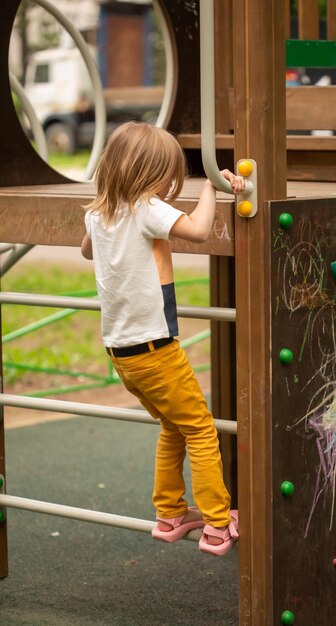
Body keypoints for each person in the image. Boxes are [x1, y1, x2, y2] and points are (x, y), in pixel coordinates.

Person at [81, 121, 244, 556]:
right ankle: (215, 524)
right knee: (203, 430)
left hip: (122, 354)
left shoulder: (98, 213)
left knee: (173, 425)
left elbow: (86, 250)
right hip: (156, 351)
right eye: (170, 174)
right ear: (152, 174)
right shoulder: (145, 208)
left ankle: (171, 514)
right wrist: (211, 186)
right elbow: (198, 230)